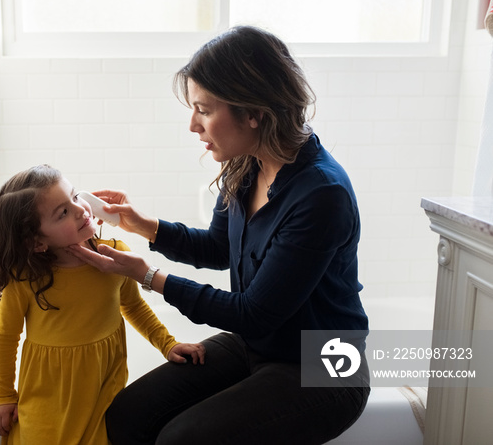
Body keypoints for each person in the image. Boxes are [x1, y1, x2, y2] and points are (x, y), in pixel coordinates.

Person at [69, 26, 370, 445]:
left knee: (182, 439)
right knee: (127, 414)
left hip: (325, 364)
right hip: (258, 346)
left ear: (254, 113)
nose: (193, 124)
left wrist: (147, 276)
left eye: (204, 110)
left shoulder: (322, 195)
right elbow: (217, 247)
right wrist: (140, 225)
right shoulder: (248, 163)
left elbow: (253, 313)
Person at [0, 164, 205, 445]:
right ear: (36, 242)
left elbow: (134, 307)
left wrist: (168, 344)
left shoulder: (115, 256)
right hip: (51, 396)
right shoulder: (28, 279)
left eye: (75, 197)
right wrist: (2, 395)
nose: (80, 209)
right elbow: (5, 338)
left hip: (103, 385)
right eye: (63, 212)